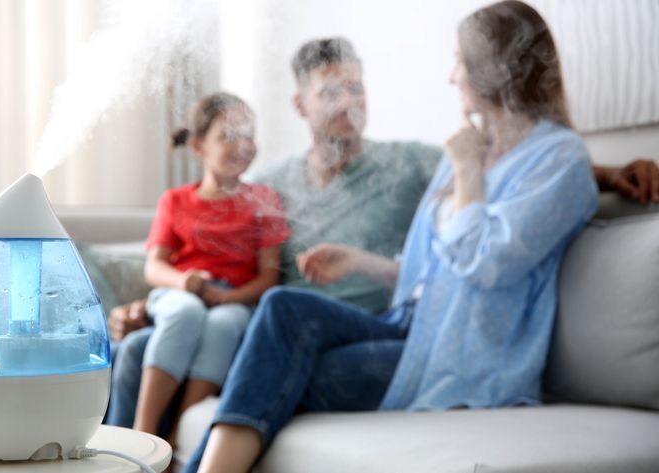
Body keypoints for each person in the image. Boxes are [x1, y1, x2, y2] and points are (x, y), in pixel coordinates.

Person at [184, 2, 601, 471]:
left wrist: (467, 172)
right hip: (410, 327)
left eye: (459, 62)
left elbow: (485, 263)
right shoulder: (473, 149)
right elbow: (435, 275)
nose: (451, 76)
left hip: (463, 361)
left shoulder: (557, 159)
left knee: (273, 370)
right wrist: (362, 262)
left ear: (495, 68)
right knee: (282, 309)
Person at [105, 37, 443, 431]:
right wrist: (148, 308)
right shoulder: (268, 187)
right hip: (261, 327)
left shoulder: (411, 165)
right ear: (300, 105)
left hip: (357, 330)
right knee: (132, 350)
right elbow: (217, 261)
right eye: (331, 92)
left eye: (356, 88)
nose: (348, 101)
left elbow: (486, 175)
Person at [131, 92, 290, 444]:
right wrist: (184, 281)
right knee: (185, 312)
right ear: (200, 146)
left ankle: (176, 436)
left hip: (234, 299)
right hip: (180, 294)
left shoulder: (265, 201)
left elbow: (268, 277)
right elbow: (154, 268)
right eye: (229, 135)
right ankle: (143, 433)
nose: (243, 145)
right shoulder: (175, 200)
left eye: (249, 134)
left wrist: (226, 296)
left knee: (226, 322)